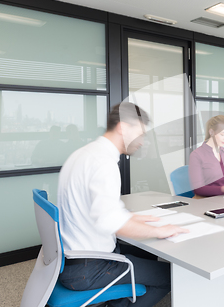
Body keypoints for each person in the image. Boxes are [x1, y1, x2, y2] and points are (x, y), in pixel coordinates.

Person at [57, 102, 189, 307]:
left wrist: (132, 217)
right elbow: (112, 224)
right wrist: (160, 230)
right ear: (123, 127)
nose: (143, 142)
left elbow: (93, 207)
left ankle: (117, 298)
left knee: (149, 253)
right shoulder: (103, 163)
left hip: (72, 259)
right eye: (141, 134)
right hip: (90, 269)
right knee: (170, 275)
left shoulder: (83, 154)